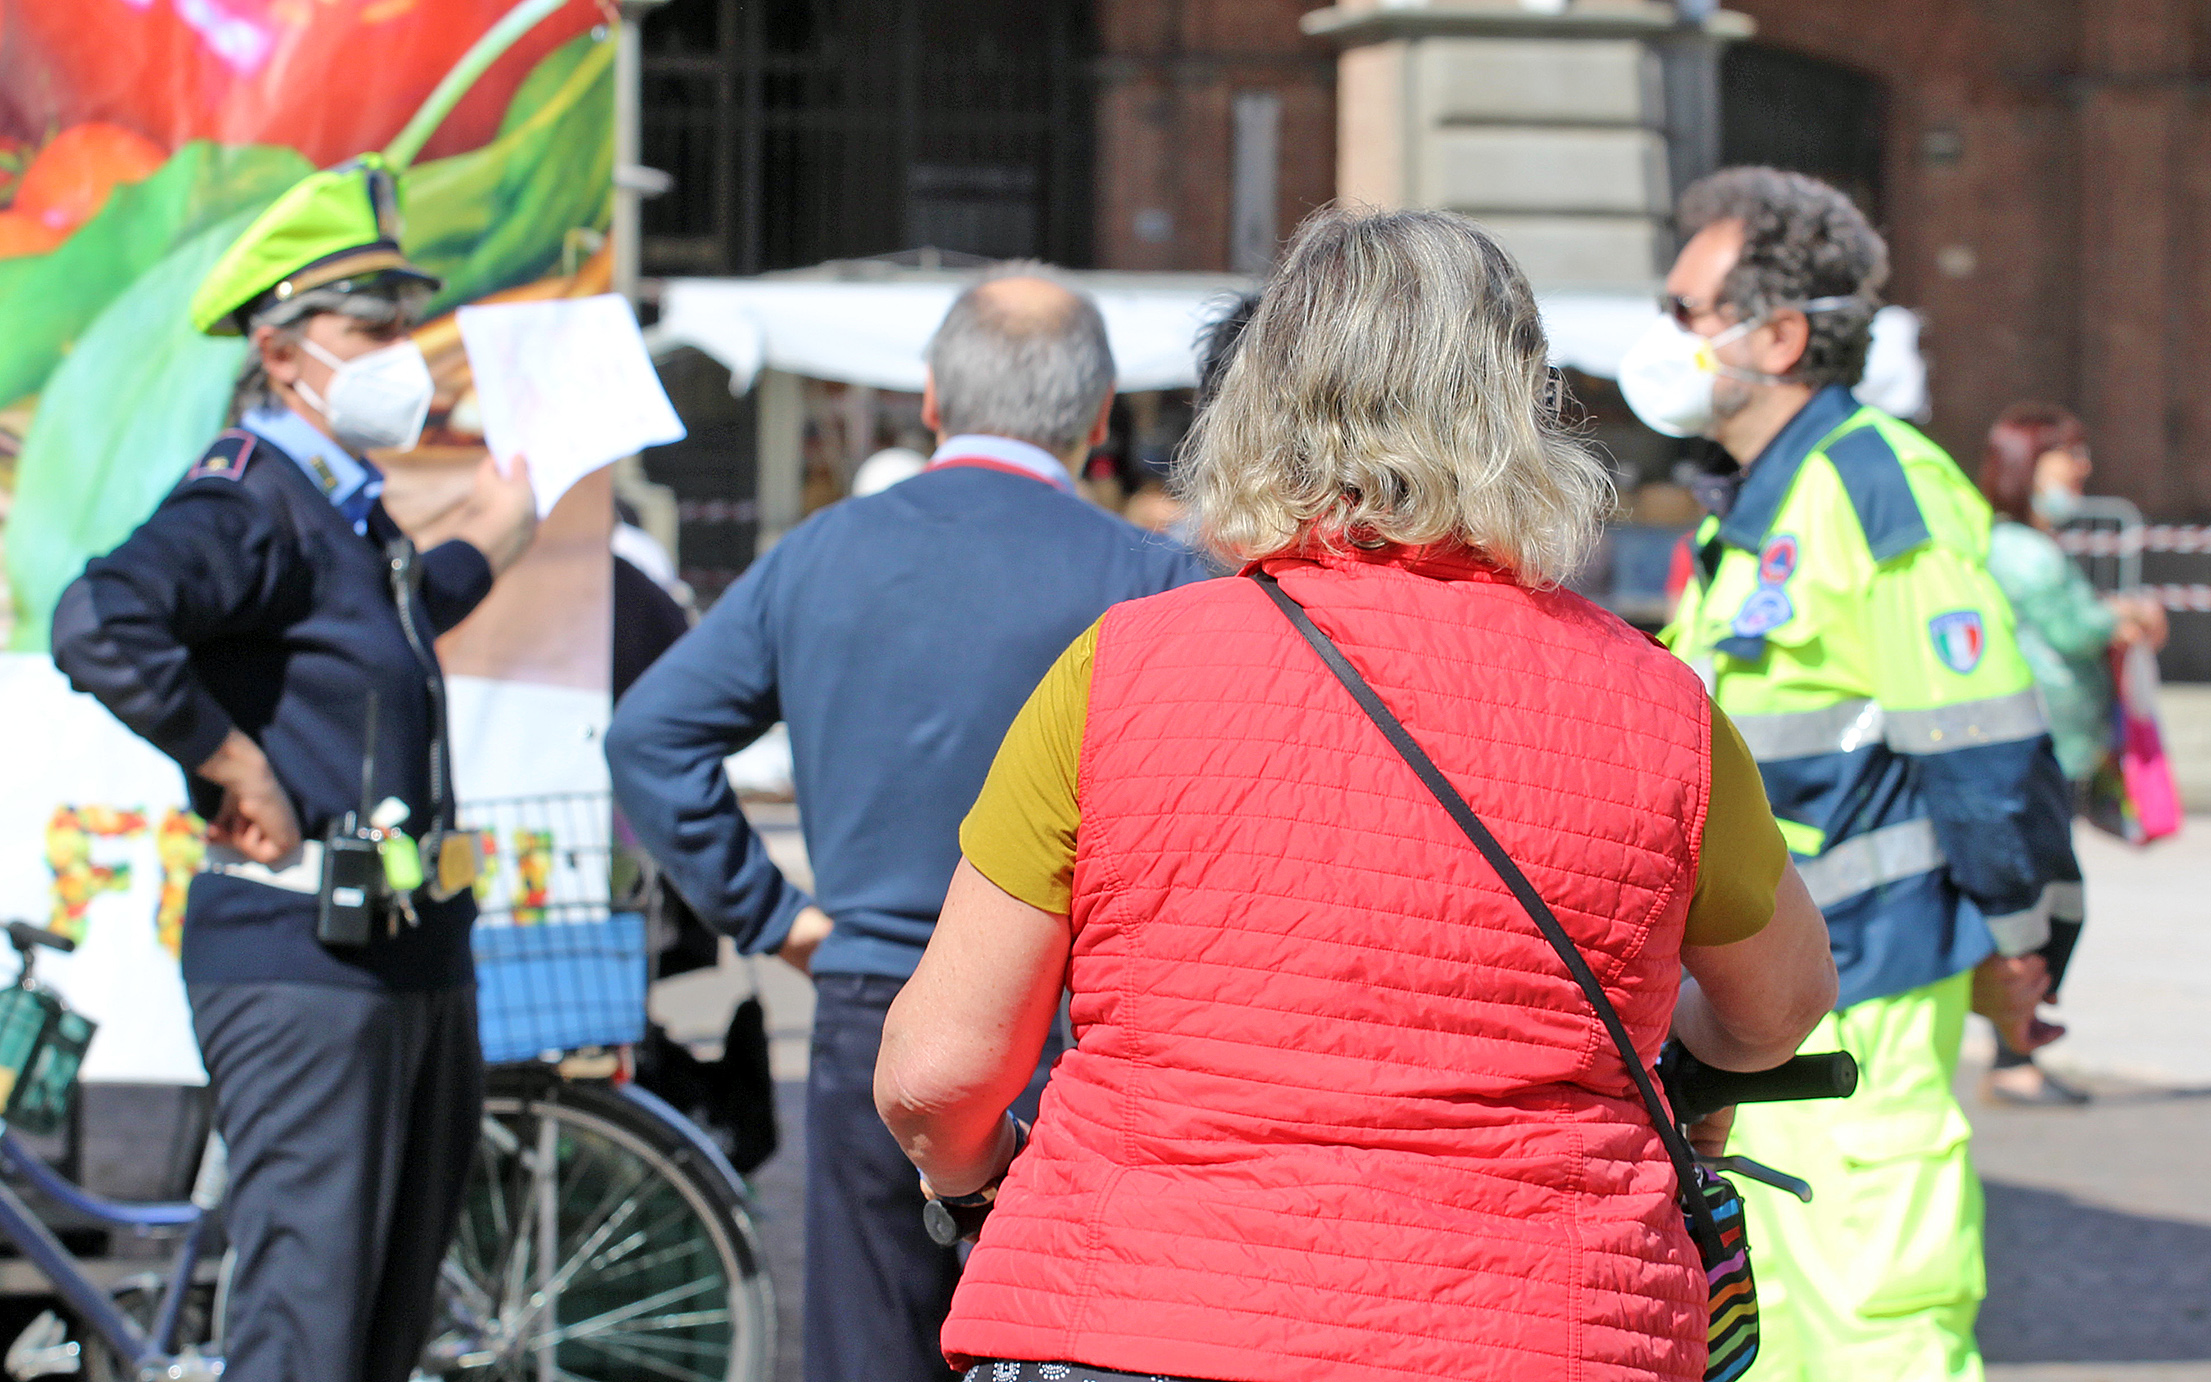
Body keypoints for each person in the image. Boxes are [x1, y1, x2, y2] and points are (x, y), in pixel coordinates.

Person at [874, 208, 1839, 1382]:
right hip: (1539, 1328)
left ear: (1262, 400)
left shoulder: (1116, 668)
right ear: (1523, 408)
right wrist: (1680, 1061)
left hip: (1139, 1314)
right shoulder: (1664, 707)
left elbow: (934, 1070)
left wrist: (979, 1180)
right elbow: (1782, 1002)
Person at [606, 263, 1213, 1382]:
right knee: (1069, 1344)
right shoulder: (1154, 577)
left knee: (868, 1345)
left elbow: (649, 737)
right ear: (1096, 417)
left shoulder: (820, 551)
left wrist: (777, 918)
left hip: (874, 1002)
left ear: (931, 398)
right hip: (1070, 1022)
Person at [49, 154, 539, 1382]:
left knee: (379, 1331)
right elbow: (98, 619)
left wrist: (505, 517)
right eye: (371, 327)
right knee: (305, 1333)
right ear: (279, 353)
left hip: (405, 955)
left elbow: (388, 626)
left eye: (406, 323)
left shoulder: (345, 509)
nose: (402, 352)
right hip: (304, 962)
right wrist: (232, 761)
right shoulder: (249, 500)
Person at [1627, 166, 2082, 1381]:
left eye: (1685, 309)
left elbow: (1983, 742)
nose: (1664, 333)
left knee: (1878, 1319)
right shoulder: (1748, 510)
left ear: (1779, 336)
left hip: (1865, 982)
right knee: (1766, 1325)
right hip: (1757, 987)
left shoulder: (1876, 484)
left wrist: (2024, 937)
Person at [1977, 401, 2167, 1104]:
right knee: (2046, 902)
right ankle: (2012, 1052)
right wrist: (2124, 616)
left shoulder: (2027, 542)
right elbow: (2071, 627)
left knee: (2049, 898)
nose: (2082, 469)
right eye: (2069, 454)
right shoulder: (2017, 549)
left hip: (2055, 746)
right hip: (2034, 746)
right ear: (2028, 463)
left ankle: (2018, 1043)